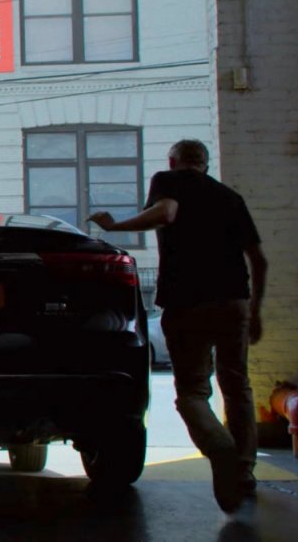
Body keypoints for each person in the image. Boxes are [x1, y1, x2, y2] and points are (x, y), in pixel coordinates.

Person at [88, 139, 268, 513]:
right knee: (237, 386)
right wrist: (257, 310)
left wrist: (116, 225)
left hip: (187, 302)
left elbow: (166, 213)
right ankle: (245, 472)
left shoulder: (168, 180)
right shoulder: (231, 197)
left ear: (174, 161)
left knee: (191, 392)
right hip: (234, 301)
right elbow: (259, 260)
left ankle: (220, 449)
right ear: (206, 162)